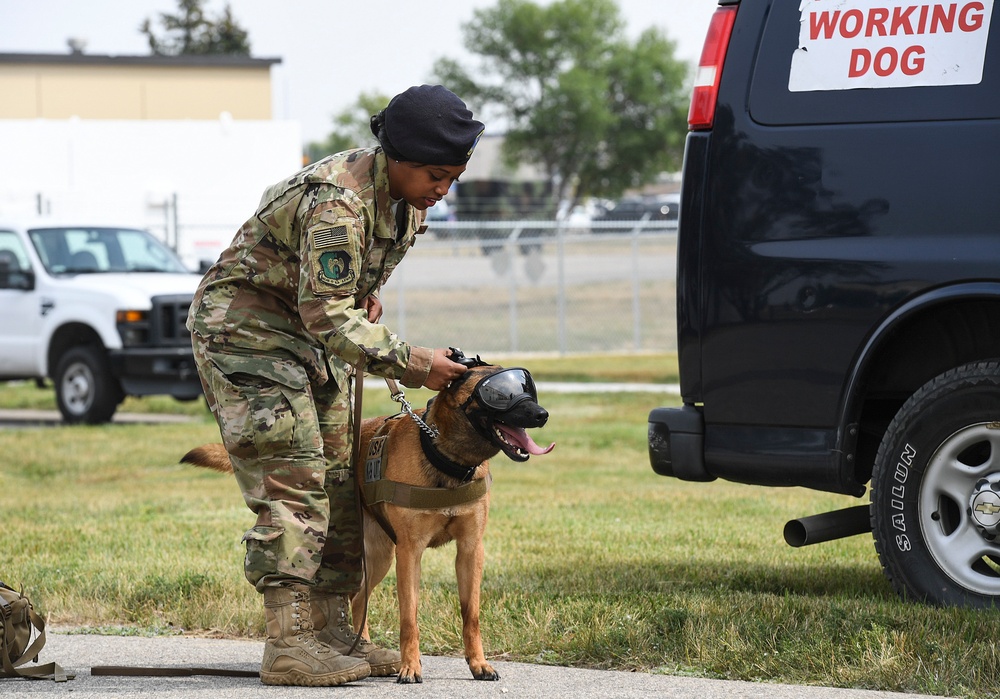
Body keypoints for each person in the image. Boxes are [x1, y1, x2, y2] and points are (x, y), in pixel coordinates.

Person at [187, 85, 484, 687]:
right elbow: (326, 311)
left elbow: (342, 292)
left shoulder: (408, 202)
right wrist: (412, 362)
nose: (442, 189)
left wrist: (365, 300)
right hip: (247, 333)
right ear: (395, 156)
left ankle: (331, 630)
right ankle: (291, 642)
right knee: (294, 473)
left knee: (342, 473)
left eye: (453, 177)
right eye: (435, 174)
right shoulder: (336, 203)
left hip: (307, 337)